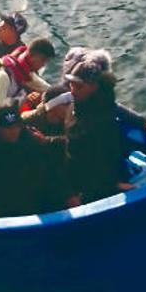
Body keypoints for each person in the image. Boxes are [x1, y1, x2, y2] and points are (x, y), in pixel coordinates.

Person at [0, 104, 70, 217]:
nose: (13, 131)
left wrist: (68, 195)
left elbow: (50, 167)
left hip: (25, 199)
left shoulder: (28, 137)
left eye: (16, 127)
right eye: (8, 128)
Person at [60, 49, 133, 203]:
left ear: (93, 87)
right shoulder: (76, 104)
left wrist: (112, 185)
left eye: (78, 87)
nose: (72, 91)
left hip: (94, 186)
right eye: (71, 85)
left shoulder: (103, 119)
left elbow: (105, 158)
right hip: (74, 175)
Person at [0, 37, 56, 112]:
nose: (43, 65)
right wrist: (24, 99)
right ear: (31, 55)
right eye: (43, 60)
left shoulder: (24, 71)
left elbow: (47, 89)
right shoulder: (3, 76)